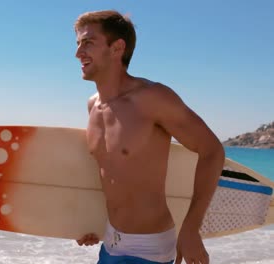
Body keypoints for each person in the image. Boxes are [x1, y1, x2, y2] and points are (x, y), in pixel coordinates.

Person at [74, 10, 225, 264]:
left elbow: (212, 151)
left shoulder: (152, 98)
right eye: (78, 44)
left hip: (149, 250)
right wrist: (90, 224)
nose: (78, 53)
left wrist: (190, 229)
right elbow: (111, 176)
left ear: (117, 47)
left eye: (88, 43)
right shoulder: (93, 106)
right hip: (110, 243)